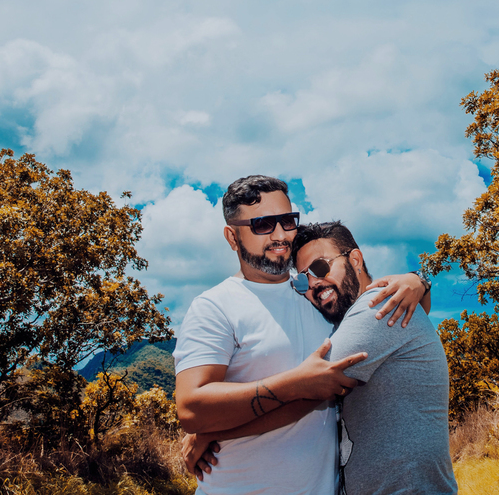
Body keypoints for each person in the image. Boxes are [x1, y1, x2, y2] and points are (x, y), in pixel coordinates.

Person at [173, 176, 429, 495]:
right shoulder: (215, 306)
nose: (281, 235)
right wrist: (296, 384)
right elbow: (191, 409)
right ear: (232, 236)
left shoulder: (319, 297)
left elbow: (383, 316)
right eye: (263, 224)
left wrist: (416, 282)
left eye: (287, 221)